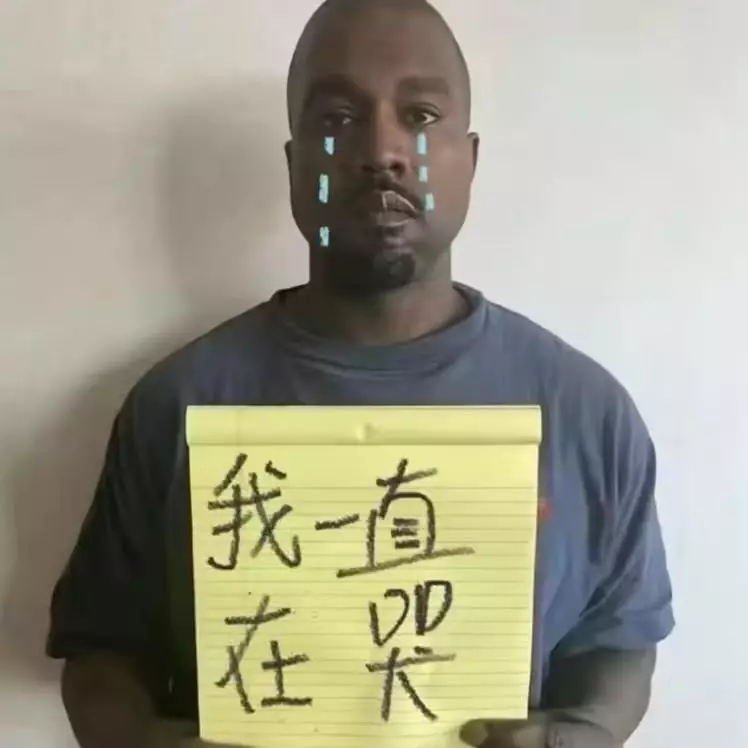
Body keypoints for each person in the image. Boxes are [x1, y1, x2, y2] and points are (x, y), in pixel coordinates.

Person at [46, 0, 675, 746]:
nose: (383, 150)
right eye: (338, 119)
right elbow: (100, 655)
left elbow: (620, 640)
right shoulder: (176, 405)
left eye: (421, 115)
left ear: (470, 160)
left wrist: (587, 731)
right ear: (294, 167)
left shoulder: (587, 412)